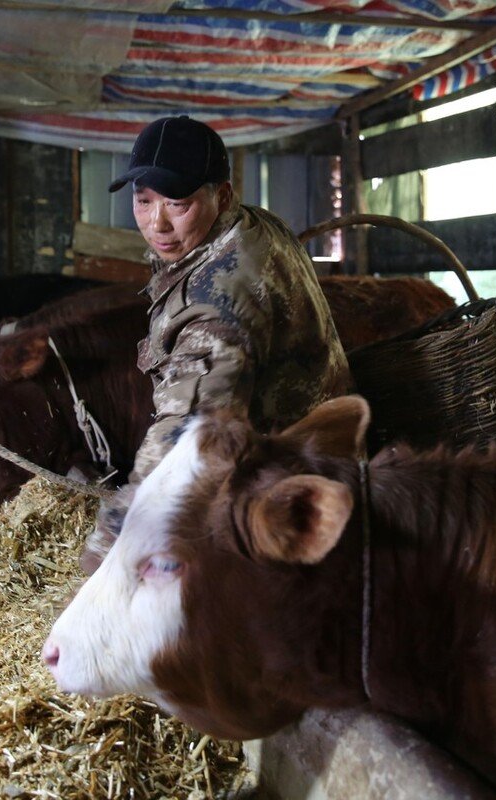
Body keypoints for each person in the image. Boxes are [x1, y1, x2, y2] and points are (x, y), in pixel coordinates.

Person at [80, 115, 351, 574]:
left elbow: (186, 435)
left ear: (221, 195)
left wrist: (108, 547)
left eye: (177, 203)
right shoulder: (248, 224)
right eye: (143, 201)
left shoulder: (219, 298)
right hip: (315, 450)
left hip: (289, 499)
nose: (156, 223)